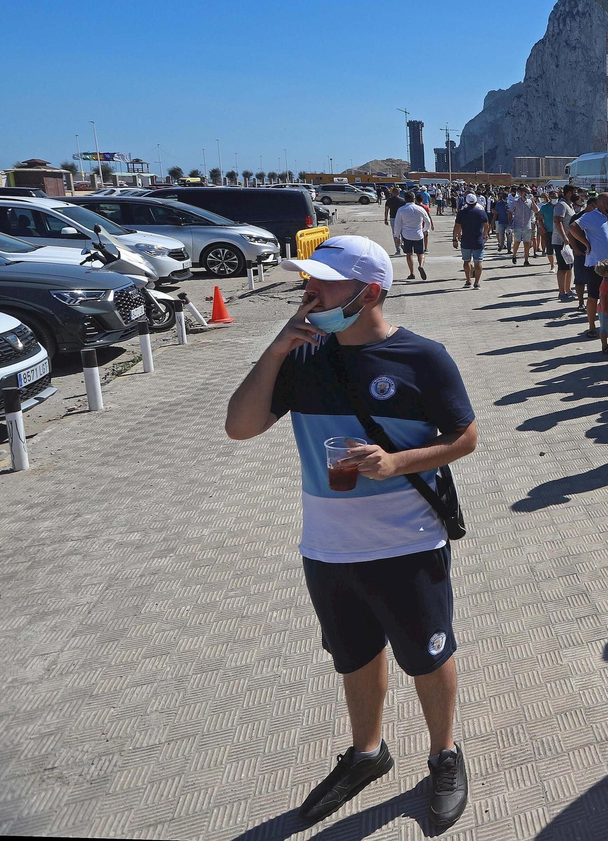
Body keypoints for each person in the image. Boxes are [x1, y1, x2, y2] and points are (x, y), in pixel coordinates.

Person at [223, 235, 475, 831]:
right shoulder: (303, 359)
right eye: (308, 281)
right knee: (354, 655)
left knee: (428, 654)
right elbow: (240, 427)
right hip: (329, 548)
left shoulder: (423, 359)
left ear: (371, 292)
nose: (309, 292)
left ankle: (444, 754)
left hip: (408, 542)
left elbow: (465, 438)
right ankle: (367, 753)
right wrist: (276, 349)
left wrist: (396, 463)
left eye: (324, 283)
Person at [571, 192, 608, 340]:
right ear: (603, 202)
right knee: (593, 296)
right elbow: (573, 227)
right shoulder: (591, 216)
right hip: (596, 265)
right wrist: (586, 243)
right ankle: (592, 326)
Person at [393, 192, 432, 282]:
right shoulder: (420, 209)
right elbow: (428, 221)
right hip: (418, 234)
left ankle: (412, 273)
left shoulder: (401, 210)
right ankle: (421, 265)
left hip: (406, 235)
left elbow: (397, 224)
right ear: (414, 199)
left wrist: (396, 236)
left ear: (405, 199)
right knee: (420, 253)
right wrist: (425, 229)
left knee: (409, 254)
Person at [452, 193, 487, 290]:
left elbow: (457, 227)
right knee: (478, 261)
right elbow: (487, 225)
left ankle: (468, 280)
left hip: (466, 240)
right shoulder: (481, 212)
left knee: (466, 261)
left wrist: (454, 238)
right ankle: (477, 283)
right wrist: (485, 234)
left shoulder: (461, 213)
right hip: (478, 240)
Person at [511, 188, 537, 265]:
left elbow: (536, 210)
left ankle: (526, 260)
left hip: (527, 225)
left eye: (529, 192)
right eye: (526, 192)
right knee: (517, 242)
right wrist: (510, 223)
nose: (528, 194)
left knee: (527, 243)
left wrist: (533, 201)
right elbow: (510, 211)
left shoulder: (530, 202)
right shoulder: (516, 202)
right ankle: (514, 255)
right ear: (522, 193)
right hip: (517, 225)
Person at [384, 187, 405, 254]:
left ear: (392, 193)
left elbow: (386, 210)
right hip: (402, 219)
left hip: (393, 218)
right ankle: (403, 245)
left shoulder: (389, 200)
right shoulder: (403, 200)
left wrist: (386, 219)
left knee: (395, 234)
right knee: (403, 233)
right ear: (399, 193)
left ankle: (398, 249)